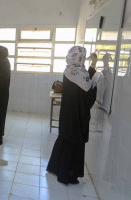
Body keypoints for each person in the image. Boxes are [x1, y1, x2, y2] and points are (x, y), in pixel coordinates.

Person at [47, 46, 98, 185]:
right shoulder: (82, 74)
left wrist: (93, 65)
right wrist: (95, 87)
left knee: (64, 140)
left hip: (66, 114)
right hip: (77, 116)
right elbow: (88, 98)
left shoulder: (69, 69)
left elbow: (83, 79)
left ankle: (55, 168)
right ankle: (67, 175)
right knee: (73, 145)